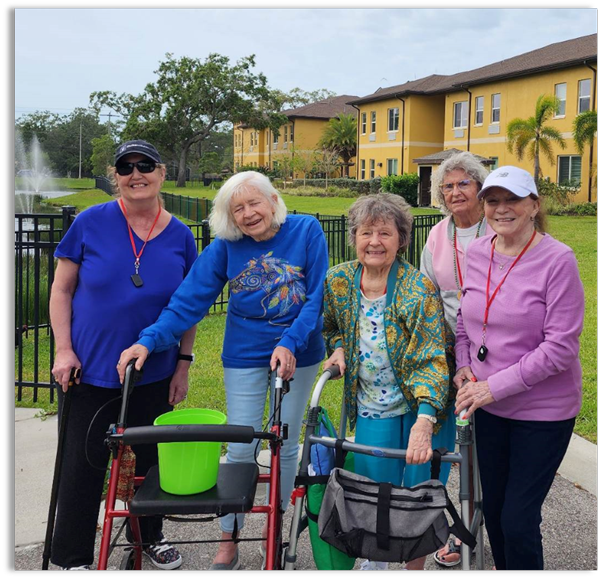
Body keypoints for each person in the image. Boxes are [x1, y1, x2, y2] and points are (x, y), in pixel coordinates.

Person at [117, 170, 329, 571]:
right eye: (239, 208)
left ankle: (275, 531)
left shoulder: (306, 230)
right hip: (245, 353)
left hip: (300, 351)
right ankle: (229, 538)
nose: (249, 214)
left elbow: (315, 297)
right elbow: (187, 302)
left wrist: (289, 342)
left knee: (284, 442)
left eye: (255, 203)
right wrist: (147, 340)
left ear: (273, 200)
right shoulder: (226, 246)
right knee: (240, 445)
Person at [49, 140, 198, 570]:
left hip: (155, 372)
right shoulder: (90, 222)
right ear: (116, 175)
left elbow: (187, 306)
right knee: (83, 464)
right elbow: (61, 289)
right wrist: (63, 350)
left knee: (151, 465)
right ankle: (73, 554)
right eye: (126, 167)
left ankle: (149, 536)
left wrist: (183, 365)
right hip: (89, 370)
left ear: (162, 172)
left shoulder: (181, 234)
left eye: (145, 165)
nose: (137, 174)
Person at [454, 166, 584, 571]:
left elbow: (560, 347)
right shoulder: (477, 251)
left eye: (513, 199)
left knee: (518, 518)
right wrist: (463, 365)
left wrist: (494, 386)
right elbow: (465, 320)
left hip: (542, 413)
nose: (502, 208)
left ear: (534, 205)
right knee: (493, 511)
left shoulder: (558, 259)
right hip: (489, 408)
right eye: (493, 200)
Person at [322, 193, 455, 571]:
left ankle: (415, 568)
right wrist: (337, 348)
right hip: (371, 404)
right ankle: (377, 560)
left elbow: (432, 359)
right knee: (373, 491)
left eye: (385, 232)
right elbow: (329, 325)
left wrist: (425, 422)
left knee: (417, 497)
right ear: (354, 237)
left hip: (423, 409)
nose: (375, 241)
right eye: (366, 232)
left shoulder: (418, 290)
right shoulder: (339, 281)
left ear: (402, 239)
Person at [420, 151, 494, 567]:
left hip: (493, 349)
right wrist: (443, 356)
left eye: (463, 183)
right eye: (447, 186)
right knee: (451, 447)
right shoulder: (438, 234)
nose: (454, 192)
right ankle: (457, 531)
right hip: (449, 353)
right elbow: (429, 296)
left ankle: (480, 529)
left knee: (485, 450)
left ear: (480, 187)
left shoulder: (495, 227)